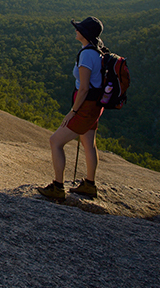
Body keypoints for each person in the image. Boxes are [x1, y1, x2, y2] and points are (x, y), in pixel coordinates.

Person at [37, 16, 108, 200]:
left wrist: (73, 112)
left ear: (85, 33)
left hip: (85, 106)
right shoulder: (97, 50)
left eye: (79, 28)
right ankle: (90, 185)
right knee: (88, 144)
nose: (76, 30)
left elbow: (84, 88)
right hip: (95, 105)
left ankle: (58, 187)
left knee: (55, 142)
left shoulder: (86, 54)